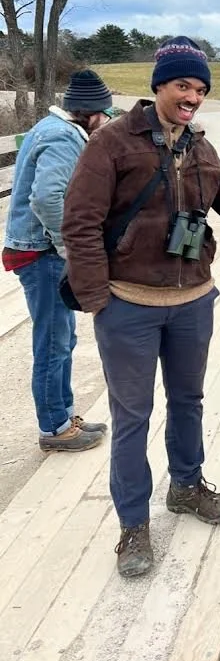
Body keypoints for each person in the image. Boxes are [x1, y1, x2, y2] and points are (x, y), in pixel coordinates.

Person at [61, 36, 220, 578]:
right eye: (182, 86)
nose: (192, 96)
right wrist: (99, 298)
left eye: (200, 88)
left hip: (194, 300)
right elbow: (78, 223)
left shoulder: (200, 146)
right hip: (129, 304)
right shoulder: (113, 143)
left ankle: (187, 487)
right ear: (159, 87)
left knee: (188, 399)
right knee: (132, 416)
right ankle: (132, 525)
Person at [2, 70, 115, 452]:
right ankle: (54, 428)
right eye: (105, 113)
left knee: (63, 338)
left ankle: (64, 415)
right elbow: (48, 198)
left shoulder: (53, 127)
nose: (107, 121)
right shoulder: (62, 137)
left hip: (41, 249)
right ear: (90, 113)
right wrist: (69, 248)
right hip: (42, 252)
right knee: (53, 342)